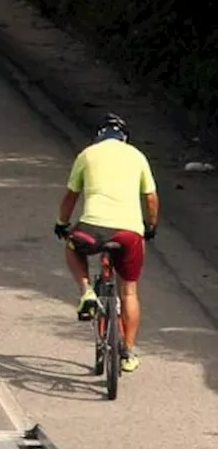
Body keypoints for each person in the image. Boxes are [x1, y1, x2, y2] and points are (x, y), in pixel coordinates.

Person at [54, 112, 158, 373]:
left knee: (71, 246)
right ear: (124, 138)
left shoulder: (87, 154)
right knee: (129, 292)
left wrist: (61, 223)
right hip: (129, 234)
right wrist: (151, 226)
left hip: (93, 230)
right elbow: (151, 198)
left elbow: (71, 197)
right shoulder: (137, 156)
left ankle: (87, 291)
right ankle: (128, 353)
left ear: (99, 136)